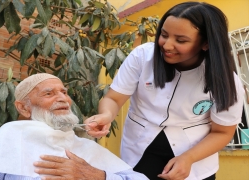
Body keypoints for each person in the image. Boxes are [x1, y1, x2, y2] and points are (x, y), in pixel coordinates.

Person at [33, 2, 245, 180]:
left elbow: (222, 132)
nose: (167, 45)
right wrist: (106, 115)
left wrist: (188, 158)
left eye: (181, 40)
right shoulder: (143, 57)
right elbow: (114, 98)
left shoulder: (224, 80)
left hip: (194, 158)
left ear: (206, 44)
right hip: (141, 151)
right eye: (164, 35)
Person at [0, 73, 148, 180]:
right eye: (49, 94)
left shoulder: (86, 148)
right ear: (24, 107)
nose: (63, 99)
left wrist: (98, 176)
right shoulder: (8, 138)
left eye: (64, 92)